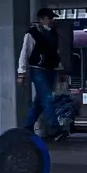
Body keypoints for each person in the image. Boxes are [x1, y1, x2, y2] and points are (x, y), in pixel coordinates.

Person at [17, 8, 61, 136]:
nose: (52, 20)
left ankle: (27, 127)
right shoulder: (32, 33)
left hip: (50, 70)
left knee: (40, 101)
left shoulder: (54, 34)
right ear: (41, 19)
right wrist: (22, 72)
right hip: (38, 70)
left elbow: (55, 52)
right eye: (49, 18)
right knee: (47, 98)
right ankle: (55, 129)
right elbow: (25, 53)